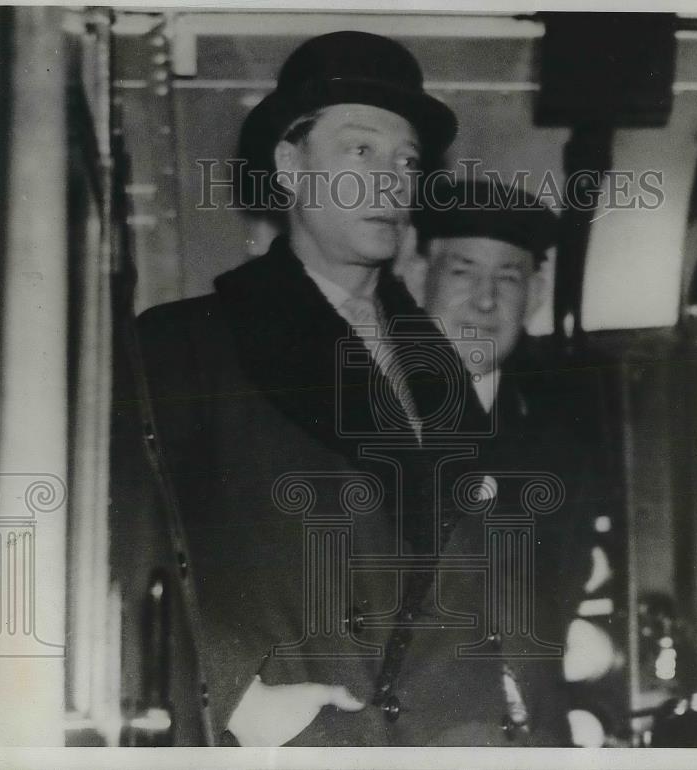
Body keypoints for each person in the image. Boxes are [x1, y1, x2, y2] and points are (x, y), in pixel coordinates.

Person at [135, 32, 558, 747]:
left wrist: (486, 722)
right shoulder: (188, 345)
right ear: (290, 165)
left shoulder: (440, 364)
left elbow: (461, 582)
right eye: (361, 152)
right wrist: (236, 693)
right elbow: (130, 546)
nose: (392, 181)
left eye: (407, 161)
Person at [407, 177, 625, 745]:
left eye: (508, 279)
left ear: (536, 293)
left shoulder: (562, 437)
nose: (485, 301)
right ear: (414, 277)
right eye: (463, 273)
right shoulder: (363, 421)